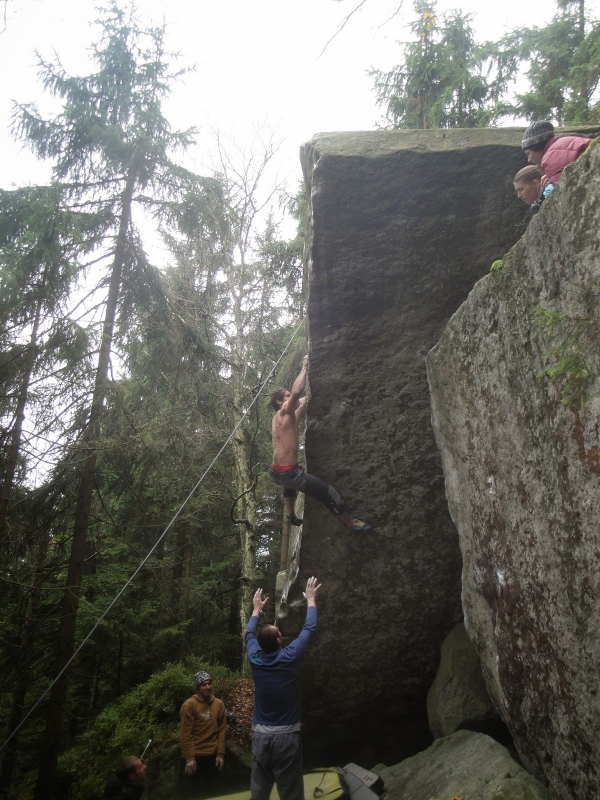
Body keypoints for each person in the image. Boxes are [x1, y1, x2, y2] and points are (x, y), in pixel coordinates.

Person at [269, 355, 371, 531]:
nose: (289, 397)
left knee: (288, 486)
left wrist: (303, 403)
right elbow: (296, 392)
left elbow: (298, 410)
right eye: (285, 396)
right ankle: (350, 522)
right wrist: (305, 367)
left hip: (276, 472)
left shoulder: (281, 419)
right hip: (290, 474)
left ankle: (291, 515)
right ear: (280, 402)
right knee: (328, 493)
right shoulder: (284, 411)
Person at [245, 577, 321, 800]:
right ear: (280, 640)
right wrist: (311, 600)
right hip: (287, 738)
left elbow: (249, 634)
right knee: (291, 793)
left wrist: (256, 610)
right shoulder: (291, 657)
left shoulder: (255, 658)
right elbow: (310, 627)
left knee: (258, 792)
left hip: (260, 737)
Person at [177, 671, 227, 800]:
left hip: (213, 755)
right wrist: (189, 758)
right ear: (198, 687)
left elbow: (221, 731)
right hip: (195, 757)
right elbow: (185, 733)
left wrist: (220, 754)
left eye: (209, 684)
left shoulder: (219, 704)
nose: (208, 687)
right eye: (203, 685)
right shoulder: (189, 705)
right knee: (192, 794)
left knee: (217, 793)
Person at [522, 121, 592, 187]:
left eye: (528, 153)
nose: (529, 160)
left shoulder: (550, 158)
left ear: (537, 147)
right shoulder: (560, 145)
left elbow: (563, 192)